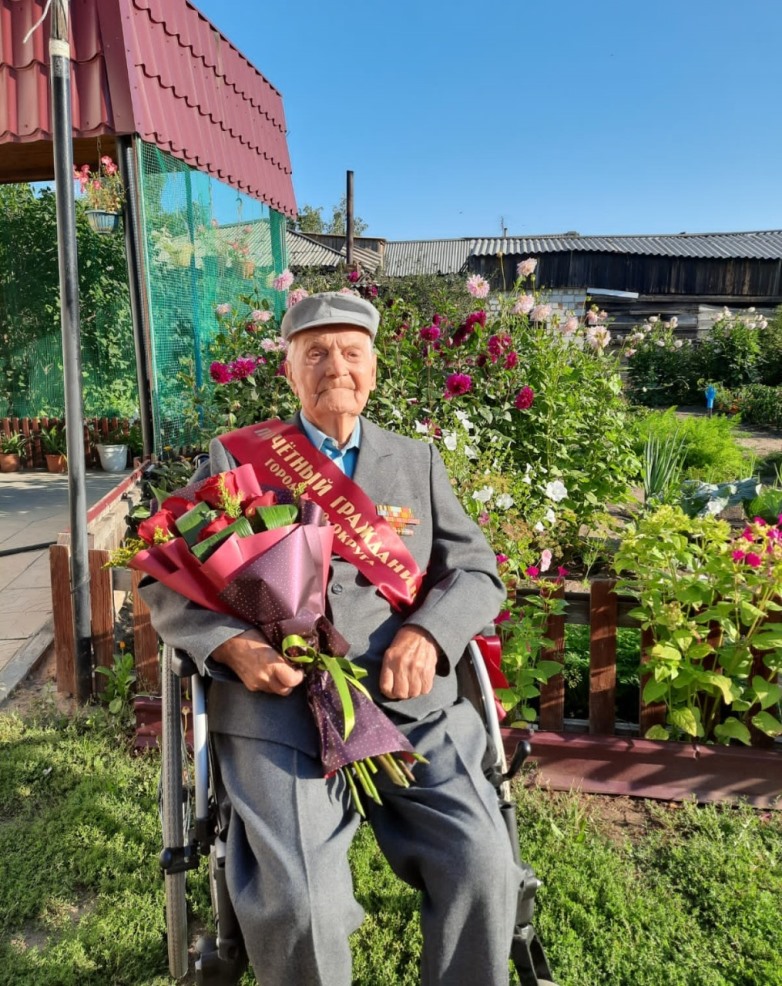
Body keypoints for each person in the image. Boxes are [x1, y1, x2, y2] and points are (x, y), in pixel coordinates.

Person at [141, 291, 522, 986]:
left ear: (374, 369)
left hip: (409, 708)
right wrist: (231, 644)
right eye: (315, 353)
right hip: (280, 708)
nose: (335, 367)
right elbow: (165, 577)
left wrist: (429, 632)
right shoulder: (236, 457)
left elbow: (476, 571)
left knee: (483, 864)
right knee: (303, 907)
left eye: (351, 352)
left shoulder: (417, 461)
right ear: (289, 371)